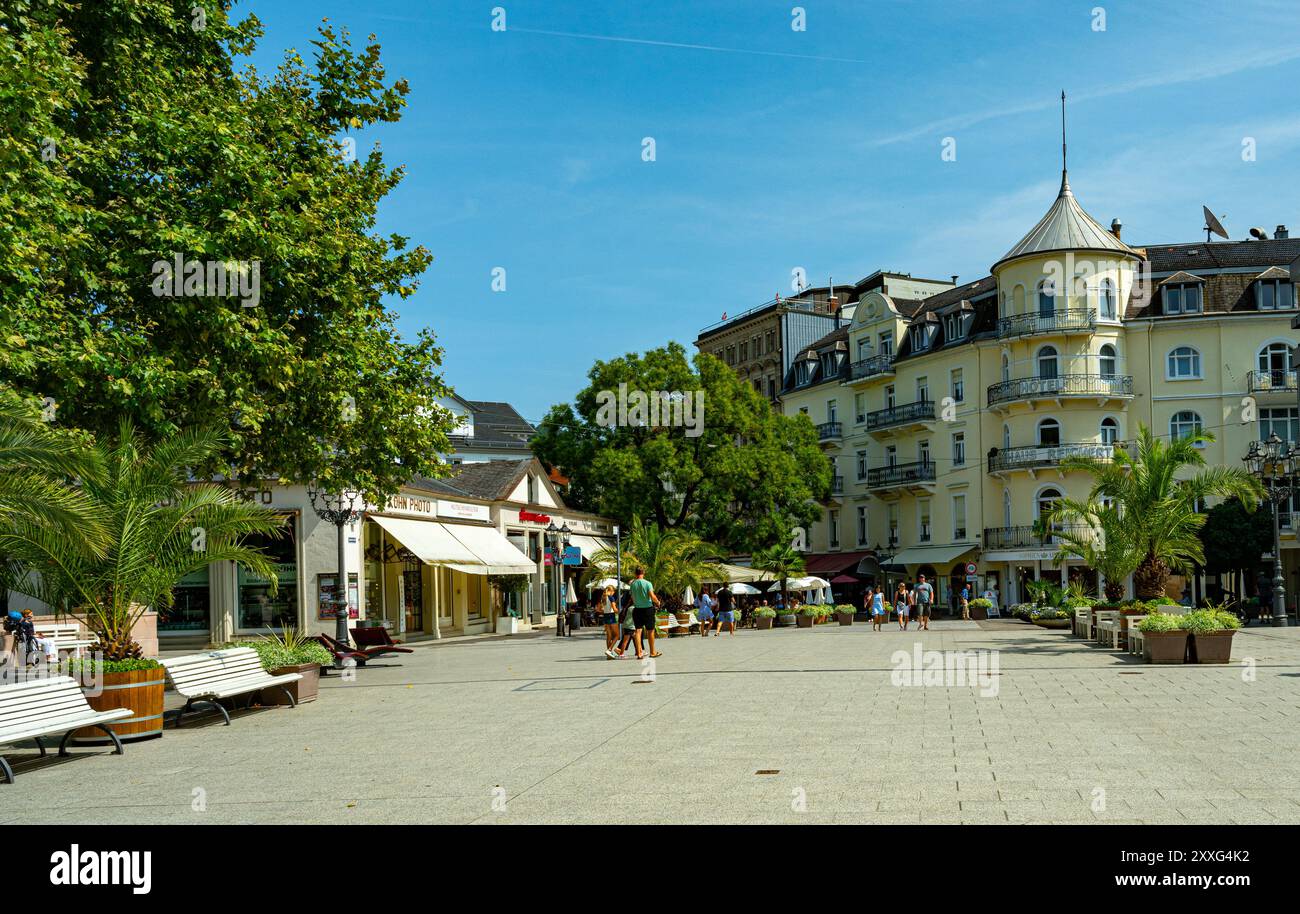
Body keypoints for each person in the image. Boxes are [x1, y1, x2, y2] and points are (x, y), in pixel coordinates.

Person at [628, 567, 662, 659]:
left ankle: (639, 653)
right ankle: (652, 652)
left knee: (638, 631)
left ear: (635, 574)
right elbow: (652, 596)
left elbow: (632, 597)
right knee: (650, 631)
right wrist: (658, 602)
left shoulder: (632, 584)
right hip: (647, 609)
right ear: (643, 573)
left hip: (637, 609)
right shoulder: (647, 583)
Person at [597, 585, 621, 659]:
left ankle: (609, 655)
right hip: (611, 616)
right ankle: (609, 649)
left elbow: (599, 609)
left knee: (609, 636)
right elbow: (614, 609)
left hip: (605, 616)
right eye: (613, 591)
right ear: (611, 591)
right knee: (617, 635)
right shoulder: (611, 598)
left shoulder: (603, 598)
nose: (613, 593)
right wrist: (619, 611)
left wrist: (605, 610)